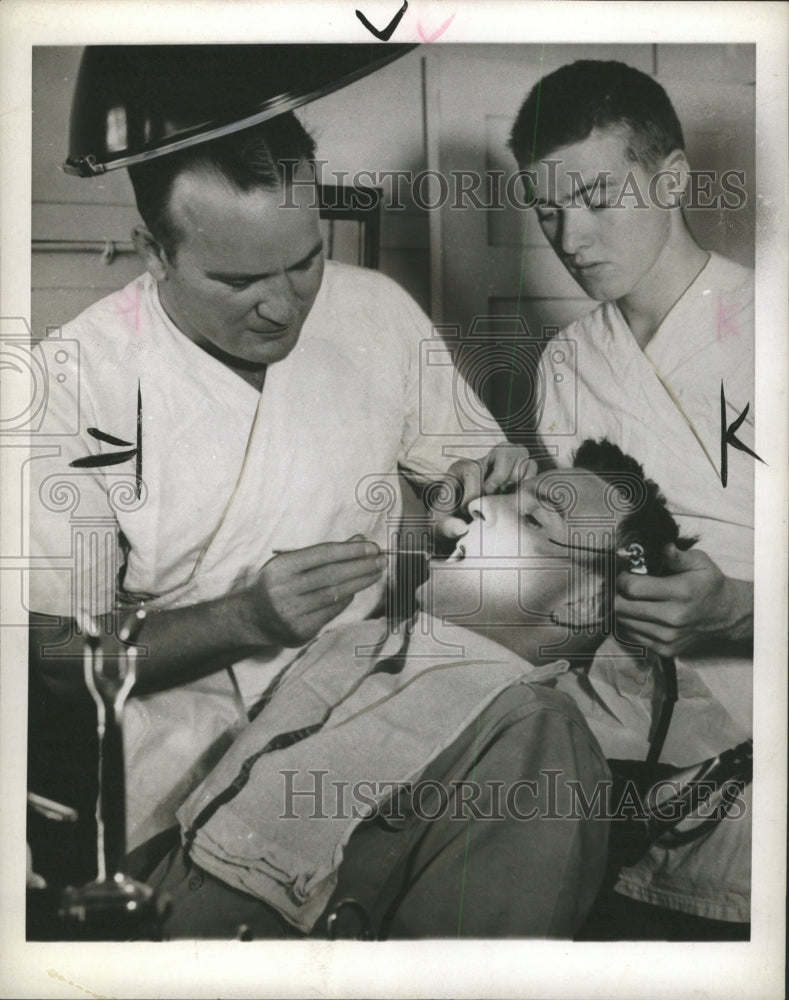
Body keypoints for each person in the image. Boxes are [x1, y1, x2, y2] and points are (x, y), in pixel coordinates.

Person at [26, 112, 528, 868]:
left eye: (304, 263)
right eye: (238, 281)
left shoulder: (373, 309)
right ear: (153, 253)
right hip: (182, 780)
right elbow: (58, 659)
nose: (283, 306)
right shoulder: (68, 387)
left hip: (378, 718)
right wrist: (244, 618)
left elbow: (481, 480)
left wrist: (476, 496)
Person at [133, 439, 691, 939]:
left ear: (585, 603)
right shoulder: (353, 644)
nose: (479, 506)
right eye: (503, 495)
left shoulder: (536, 734)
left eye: (533, 518)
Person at [508, 60, 754, 933]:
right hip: (616, 752)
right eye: (547, 210)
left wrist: (737, 611)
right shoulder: (567, 366)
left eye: (598, 198)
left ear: (672, 178)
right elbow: (576, 582)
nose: (570, 237)